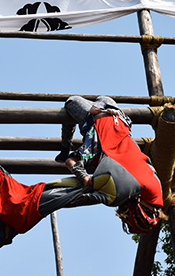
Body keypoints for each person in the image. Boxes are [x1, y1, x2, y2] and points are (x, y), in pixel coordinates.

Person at [0, 94, 163, 255]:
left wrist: (76, 167)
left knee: (72, 112)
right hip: (104, 128)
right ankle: (67, 146)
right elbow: (76, 176)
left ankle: (66, 147)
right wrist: (78, 170)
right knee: (72, 110)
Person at [55, 95, 164, 233]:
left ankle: (65, 147)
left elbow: (148, 172)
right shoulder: (95, 152)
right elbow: (71, 161)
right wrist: (85, 179)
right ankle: (65, 147)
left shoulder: (149, 182)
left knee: (73, 104)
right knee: (71, 102)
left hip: (117, 115)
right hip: (102, 115)